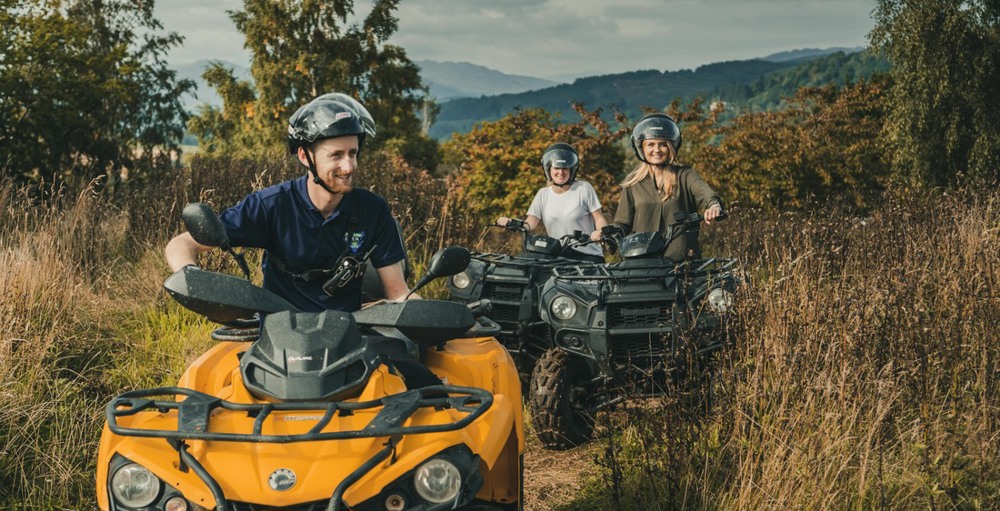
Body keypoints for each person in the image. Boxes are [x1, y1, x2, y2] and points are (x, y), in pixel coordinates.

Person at [165, 92, 415, 312]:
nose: (348, 166)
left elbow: (398, 293)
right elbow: (181, 244)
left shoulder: (372, 210)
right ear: (305, 156)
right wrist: (192, 277)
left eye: (353, 153)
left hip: (349, 338)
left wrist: (433, 316)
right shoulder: (272, 205)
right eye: (336, 155)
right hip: (280, 340)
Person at [597, 113, 723, 262]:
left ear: (671, 147)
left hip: (682, 263)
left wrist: (713, 205)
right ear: (641, 147)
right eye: (651, 144)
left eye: (663, 144)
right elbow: (622, 222)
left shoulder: (684, 174)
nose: (657, 150)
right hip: (642, 263)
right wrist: (608, 234)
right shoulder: (632, 183)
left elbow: (704, 192)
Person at [497, 142, 609, 263]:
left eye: (565, 168)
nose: (560, 173)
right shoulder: (543, 194)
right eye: (556, 168)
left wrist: (600, 232)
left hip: (587, 255)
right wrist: (510, 222)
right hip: (558, 255)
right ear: (548, 169)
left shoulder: (584, 188)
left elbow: (599, 218)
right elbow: (530, 224)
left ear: (572, 169)